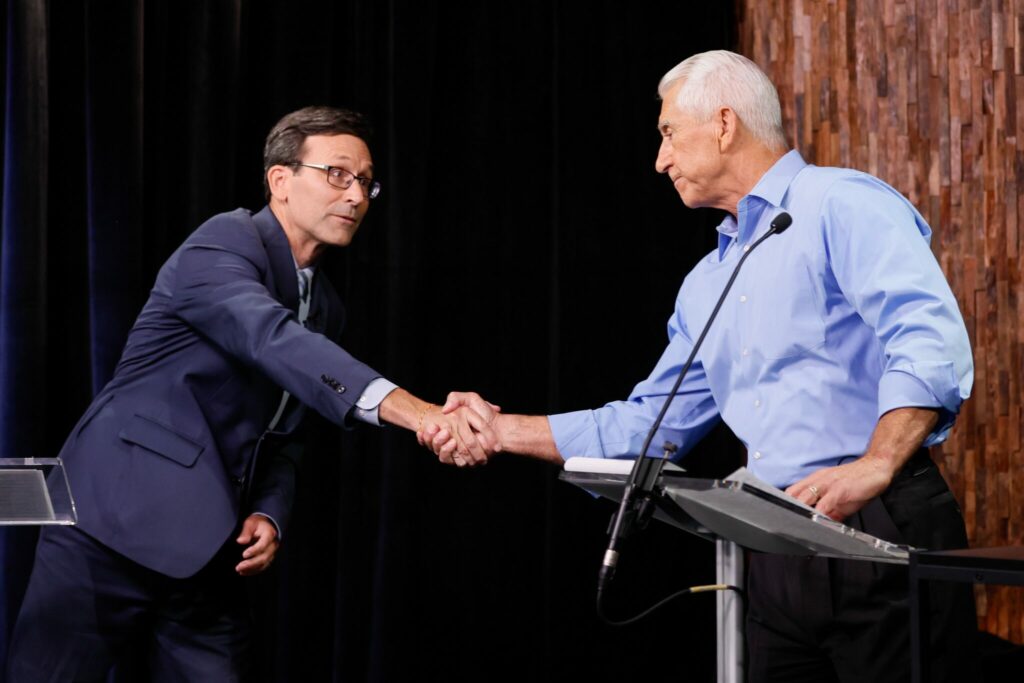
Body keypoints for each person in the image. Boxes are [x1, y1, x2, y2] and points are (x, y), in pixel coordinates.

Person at [424, 51, 977, 682]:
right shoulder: (707, 282)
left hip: (880, 525)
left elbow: (928, 338)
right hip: (774, 547)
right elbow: (649, 426)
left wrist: (876, 462)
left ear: (723, 124)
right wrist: (498, 431)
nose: (659, 160)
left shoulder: (840, 203)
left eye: (666, 134)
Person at [6, 105, 493, 682]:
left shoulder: (327, 306)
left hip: (210, 553)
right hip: (109, 528)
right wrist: (421, 414)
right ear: (280, 181)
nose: (356, 195)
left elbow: (285, 432)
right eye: (338, 174)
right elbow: (272, 339)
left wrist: (270, 510)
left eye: (365, 181)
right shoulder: (223, 242)